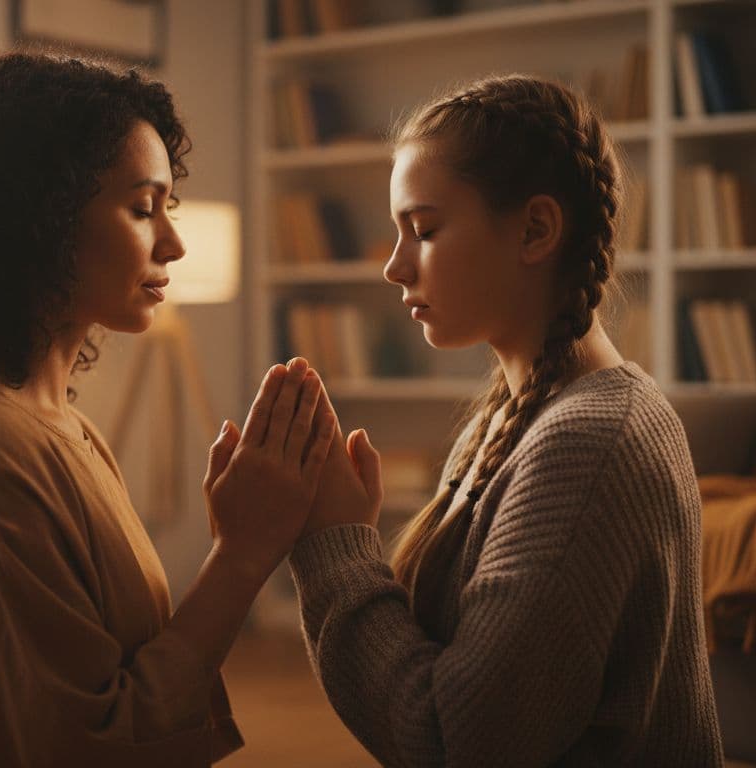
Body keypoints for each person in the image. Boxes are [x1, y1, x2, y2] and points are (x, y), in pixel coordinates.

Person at [0, 51, 335, 767]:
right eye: (140, 208)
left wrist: (240, 544)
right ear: (39, 219)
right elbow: (82, 750)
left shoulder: (51, 424)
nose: (174, 243)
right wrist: (243, 556)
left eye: (169, 207)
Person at [291, 75, 726, 766]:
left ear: (535, 230)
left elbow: (459, 744)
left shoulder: (586, 443)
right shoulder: (516, 412)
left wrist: (334, 545)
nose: (395, 267)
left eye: (425, 230)